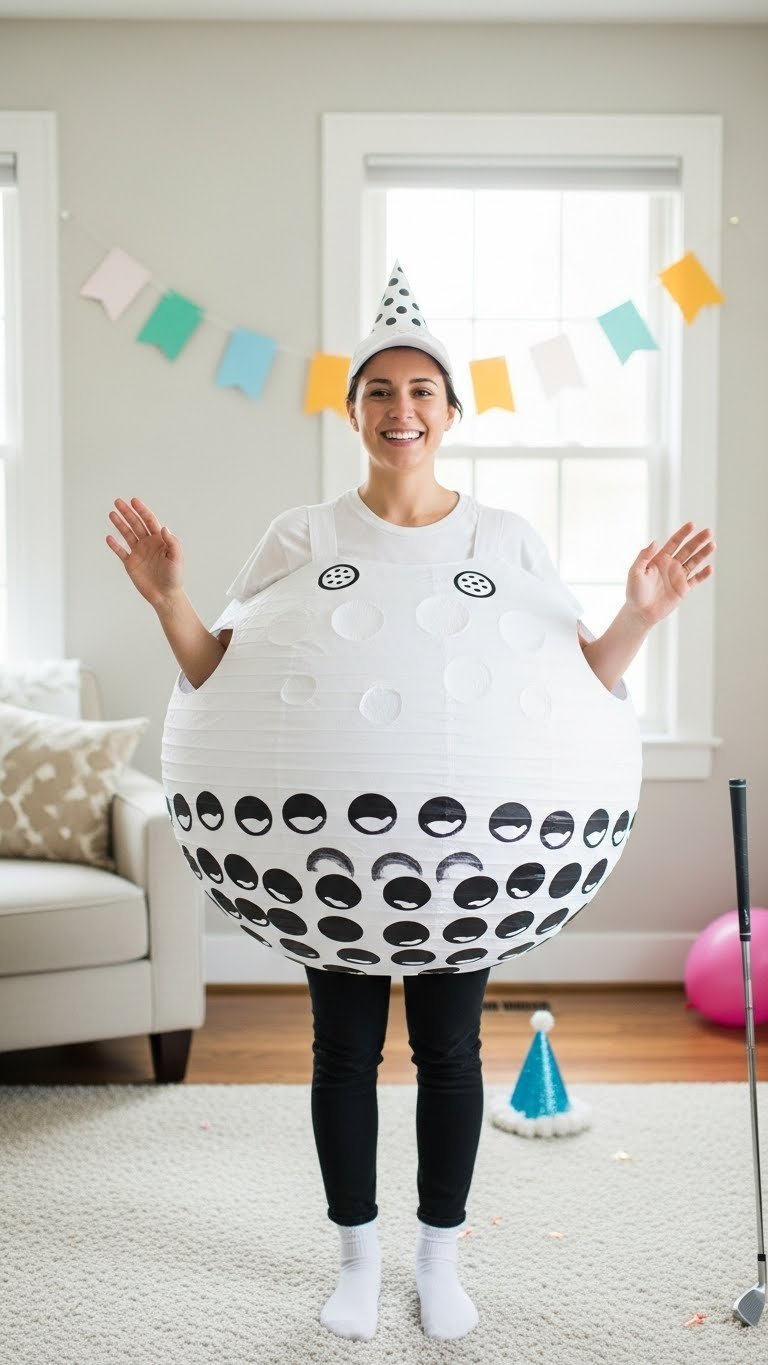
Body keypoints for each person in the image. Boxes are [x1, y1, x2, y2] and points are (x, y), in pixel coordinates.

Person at [106, 263, 716, 1344]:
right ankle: (356, 1257)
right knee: (341, 1051)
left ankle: (440, 1258)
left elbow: (585, 685)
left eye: (421, 391)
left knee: (449, 1052)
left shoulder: (508, 538)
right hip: (329, 860)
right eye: (380, 392)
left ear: (449, 411)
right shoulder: (302, 537)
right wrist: (170, 600)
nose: (402, 410)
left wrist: (642, 614)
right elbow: (214, 676)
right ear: (354, 413)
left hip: (465, 863)